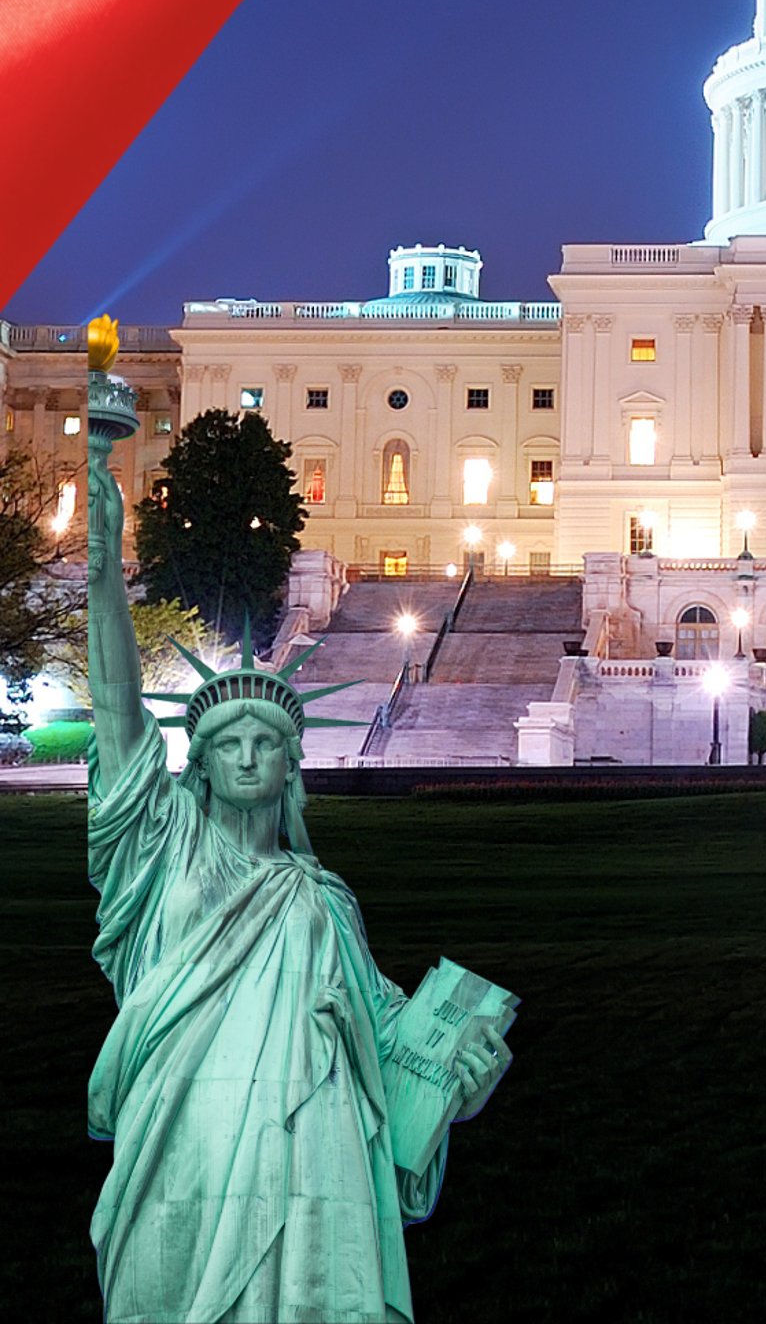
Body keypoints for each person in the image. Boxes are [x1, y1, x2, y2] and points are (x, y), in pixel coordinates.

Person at [85, 437, 509, 1323]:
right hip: (186, 1120)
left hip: (319, 1126)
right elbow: (121, 724)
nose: (246, 756)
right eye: (226, 743)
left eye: (265, 743)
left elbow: (380, 1020)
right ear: (196, 767)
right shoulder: (165, 847)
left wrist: (455, 1066)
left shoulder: (321, 896)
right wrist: (100, 579)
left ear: (291, 766)